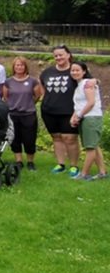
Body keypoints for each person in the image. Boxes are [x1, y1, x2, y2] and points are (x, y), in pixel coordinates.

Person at [41, 45, 80, 176]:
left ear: (68, 55)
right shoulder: (47, 72)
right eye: (56, 55)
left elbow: (87, 83)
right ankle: (61, 164)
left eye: (61, 55)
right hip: (49, 111)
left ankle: (74, 166)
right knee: (56, 137)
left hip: (69, 112)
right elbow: (43, 89)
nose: (58, 57)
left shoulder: (75, 70)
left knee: (70, 138)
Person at [2, 57, 43, 170]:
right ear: (14, 67)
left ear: (25, 67)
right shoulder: (8, 82)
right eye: (17, 65)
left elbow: (37, 96)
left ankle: (30, 162)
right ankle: (18, 161)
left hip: (28, 114)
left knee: (29, 139)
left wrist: (28, 104)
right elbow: (6, 97)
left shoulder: (32, 81)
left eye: (21, 65)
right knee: (15, 139)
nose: (19, 67)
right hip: (13, 114)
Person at [69, 62, 106, 180]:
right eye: (72, 70)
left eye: (77, 70)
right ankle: (102, 173)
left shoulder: (87, 84)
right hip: (85, 117)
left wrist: (79, 116)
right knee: (94, 145)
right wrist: (73, 117)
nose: (74, 72)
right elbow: (79, 105)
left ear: (84, 71)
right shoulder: (79, 85)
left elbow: (91, 103)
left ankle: (84, 174)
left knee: (90, 148)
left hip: (91, 117)